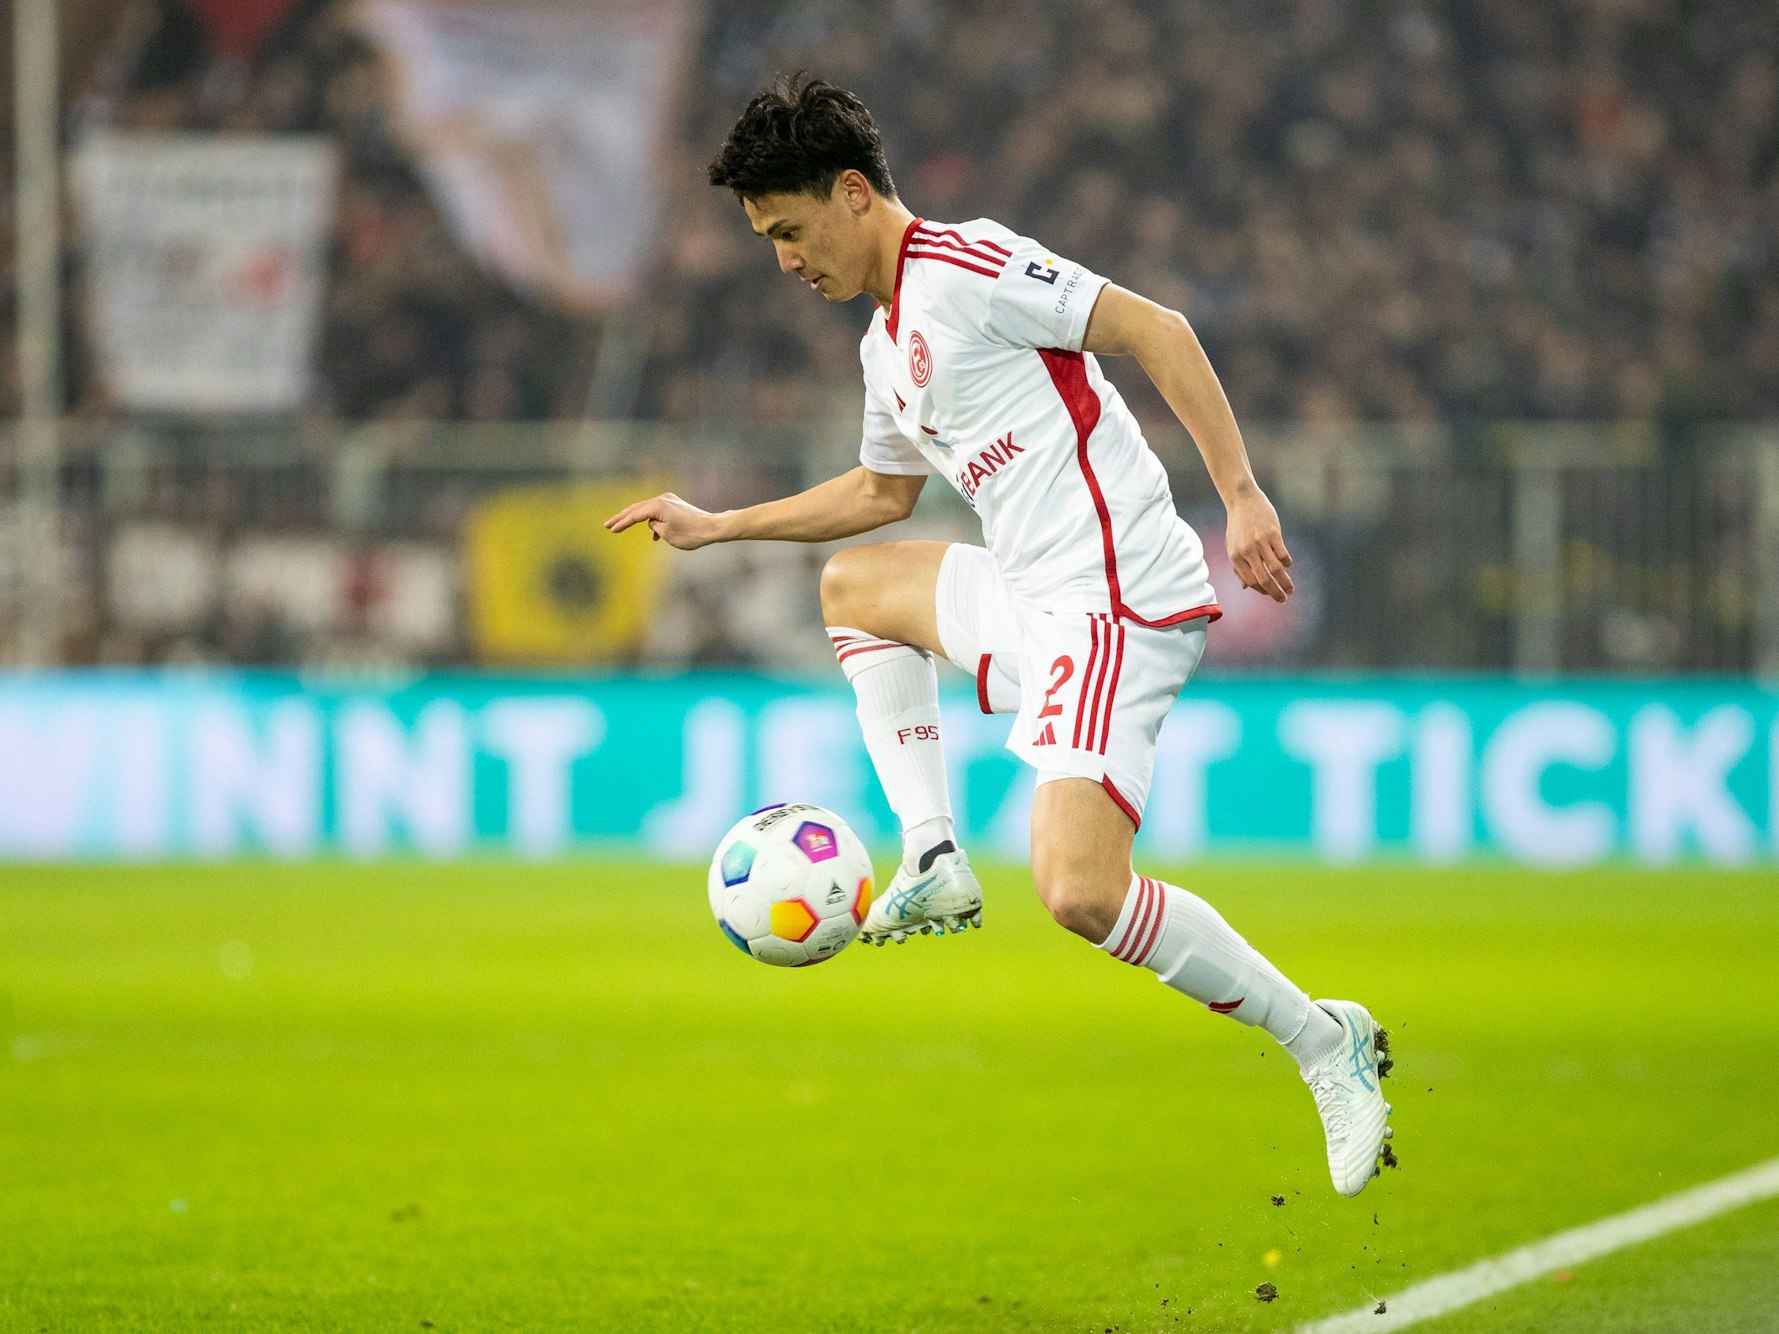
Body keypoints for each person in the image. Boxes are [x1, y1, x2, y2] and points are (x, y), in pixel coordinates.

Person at [606, 75, 1394, 1196]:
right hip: (1036, 597)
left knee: (1077, 888)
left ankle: (1326, 1040)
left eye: (789, 231)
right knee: (855, 586)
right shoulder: (887, 346)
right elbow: (883, 493)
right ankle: (931, 850)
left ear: (850, 191)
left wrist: (1243, 493)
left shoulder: (968, 267)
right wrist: (722, 524)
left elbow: (1152, 329)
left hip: (1115, 598)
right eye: (765, 241)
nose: (784, 260)